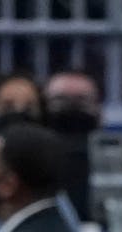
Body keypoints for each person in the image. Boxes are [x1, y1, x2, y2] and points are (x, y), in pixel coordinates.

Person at [42, 71, 103, 221]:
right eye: (61, 101)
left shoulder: (118, 159)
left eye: (81, 101)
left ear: (99, 109)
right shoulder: (30, 159)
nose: (71, 108)